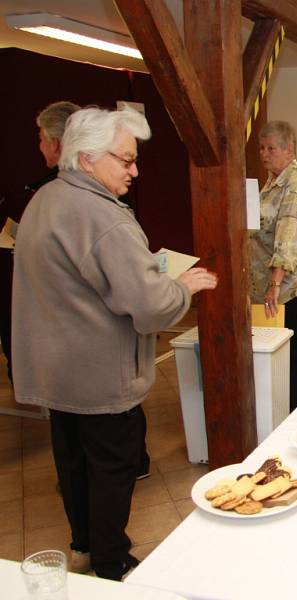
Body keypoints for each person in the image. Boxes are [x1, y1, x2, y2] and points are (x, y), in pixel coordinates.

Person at [11, 107, 218, 580]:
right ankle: (110, 563)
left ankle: (84, 543)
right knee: (113, 468)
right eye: (125, 160)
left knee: (74, 466)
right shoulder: (106, 218)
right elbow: (150, 308)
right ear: (87, 159)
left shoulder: (45, 199)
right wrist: (183, 286)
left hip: (57, 371)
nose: (135, 170)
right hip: (100, 375)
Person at [0, 101, 80, 383]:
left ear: (56, 143)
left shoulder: (67, 194)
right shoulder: (55, 190)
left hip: (71, 336)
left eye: (41, 139)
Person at [249, 120, 297, 412]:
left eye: (271, 148)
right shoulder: (272, 181)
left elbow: (288, 238)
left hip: (290, 285)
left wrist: (274, 284)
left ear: (290, 149)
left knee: (290, 350)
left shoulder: (294, 184)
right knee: (280, 350)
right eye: (262, 148)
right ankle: (282, 409)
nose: (265, 154)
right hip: (275, 281)